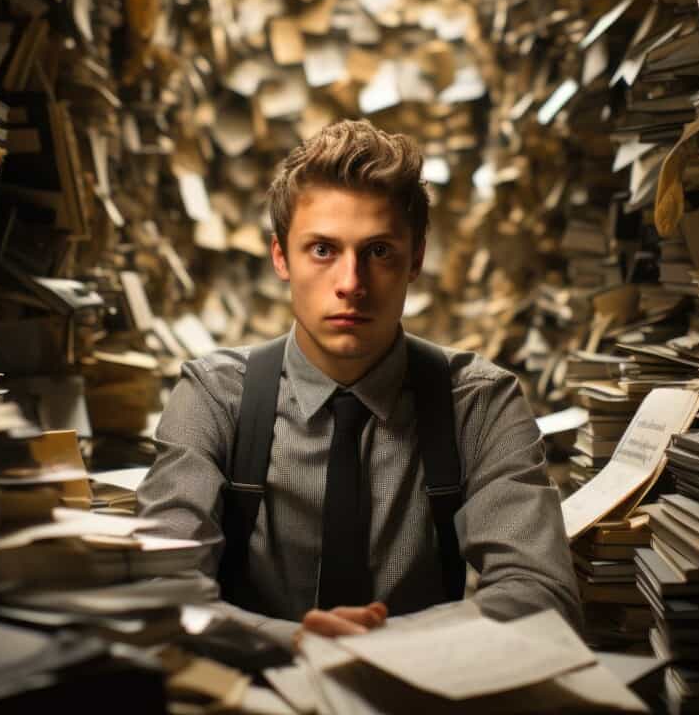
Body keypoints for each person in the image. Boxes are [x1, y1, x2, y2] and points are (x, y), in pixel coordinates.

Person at [136, 120, 580, 647]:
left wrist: (391, 648)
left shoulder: (480, 402)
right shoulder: (213, 396)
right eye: (322, 250)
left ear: (416, 258)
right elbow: (162, 588)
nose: (351, 284)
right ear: (281, 257)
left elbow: (540, 594)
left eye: (379, 252)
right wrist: (289, 641)